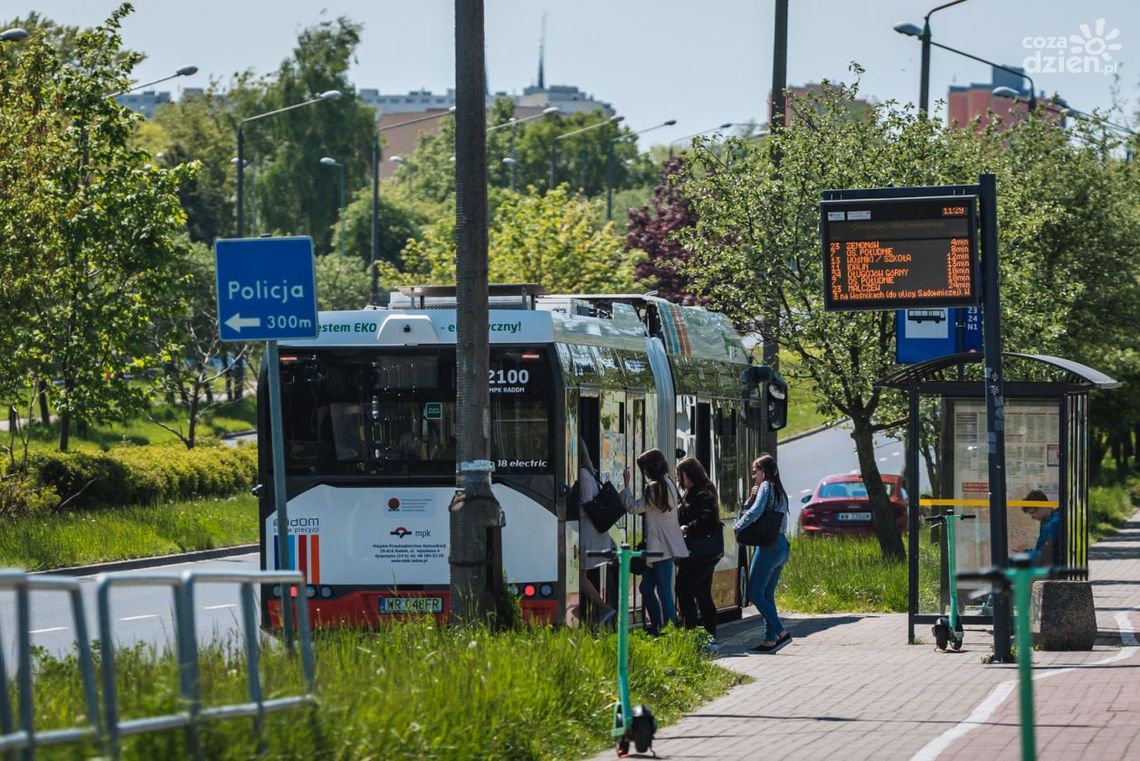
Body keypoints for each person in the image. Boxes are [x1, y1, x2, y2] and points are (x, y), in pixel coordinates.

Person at [621, 448, 688, 635]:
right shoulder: (669, 484)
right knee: (647, 588)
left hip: (659, 549)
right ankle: (659, 627)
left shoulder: (654, 488)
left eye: (644, 469)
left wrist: (625, 487)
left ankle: (669, 631)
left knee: (663, 591)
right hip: (665, 547)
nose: (644, 473)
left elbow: (634, 507)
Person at [735, 454, 791, 652]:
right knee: (767, 594)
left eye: (754, 472)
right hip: (782, 546)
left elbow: (756, 512)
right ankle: (769, 640)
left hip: (768, 547)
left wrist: (738, 527)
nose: (753, 476)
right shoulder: (778, 490)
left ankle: (782, 633)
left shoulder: (766, 486)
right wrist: (751, 497)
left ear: (764, 471)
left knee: (754, 593)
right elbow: (756, 508)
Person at [675, 457, 722, 651]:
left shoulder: (702, 494)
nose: (679, 479)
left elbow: (704, 520)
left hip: (699, 552)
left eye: (680, 475)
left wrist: (687, 528)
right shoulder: (699, 491)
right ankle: (708, 636)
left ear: (688, 475)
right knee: (702, 593)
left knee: (683, 589)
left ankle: (694, 634)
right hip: (704, 553)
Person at [578, 439, 616, 626]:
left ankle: (603, 608)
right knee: (580, 575)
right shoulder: (588, 474)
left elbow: (586, 503)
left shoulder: (583, 474)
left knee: (579, 575)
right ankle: (600, 609)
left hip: (587, 532)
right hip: (590, 531)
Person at [1022, 489, 1059, 565]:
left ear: (1042, 506)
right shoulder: (1048, 521)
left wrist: (1026, 553)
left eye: (1032, 513)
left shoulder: (1052, 524)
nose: (1032, 517)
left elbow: (1044, 555)